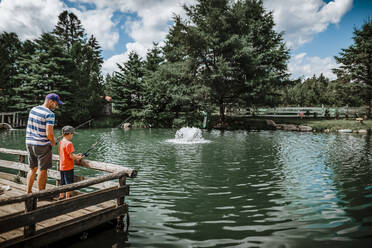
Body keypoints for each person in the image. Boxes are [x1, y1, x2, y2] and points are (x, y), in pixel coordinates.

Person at [26, 93, 64, 194]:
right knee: (43, 170)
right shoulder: (50, 114)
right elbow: (49, 134)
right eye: (56, 103)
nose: (57, 106)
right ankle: (41, 195)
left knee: (32, 169)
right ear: (50, 101)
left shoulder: (33, 109)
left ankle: (28, 192)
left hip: (29, 143)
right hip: (42, 145)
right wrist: (53, 142)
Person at [58, 125, 82, 199]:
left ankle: (61, 196)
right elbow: (71, 156)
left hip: (62, 166)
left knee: (63, 183)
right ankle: (67, 198)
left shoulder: (61, 142)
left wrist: (75, 155)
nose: (72, 135)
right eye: (72, 134)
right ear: (69, 134)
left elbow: (67, 154)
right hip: (68, 166)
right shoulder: (69, 143)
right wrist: (78, 157)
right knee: (69, 183)